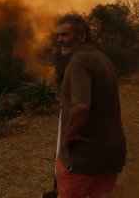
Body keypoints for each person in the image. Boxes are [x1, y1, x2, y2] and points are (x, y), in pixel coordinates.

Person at [52, 13, 126, 198]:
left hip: (83, 158)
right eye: (58, 35)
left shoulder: (79, 62)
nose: (60, 39)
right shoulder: (102, 58)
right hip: (110, 154)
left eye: (65, 35)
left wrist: (69, 135)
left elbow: (81, 106)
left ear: (82, 36)